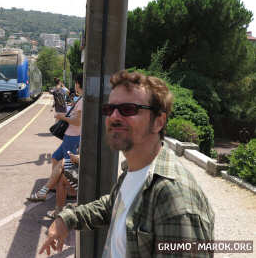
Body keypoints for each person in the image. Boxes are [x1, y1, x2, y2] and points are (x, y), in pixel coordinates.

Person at [39, 70, 215, 257]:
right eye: (109, 109)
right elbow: (114, 205)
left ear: (158, 122)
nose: (114, 117)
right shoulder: (135, 170)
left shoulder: (174, 199)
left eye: (128, 109)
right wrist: (66, 219)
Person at [27, 74, 83, 202]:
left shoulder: (82, 101)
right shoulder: (79, 99)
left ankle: (71, 192)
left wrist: (61, 117)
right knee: (55, 157)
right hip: (69, 136)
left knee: (68, 168)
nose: (74, 86)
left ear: (79, 84)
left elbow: (77, 122)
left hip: (73, 137)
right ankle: (54, 184)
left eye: (76, 83)